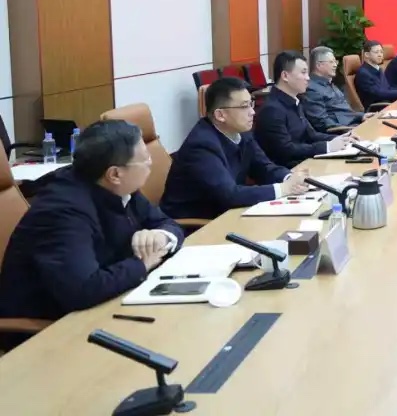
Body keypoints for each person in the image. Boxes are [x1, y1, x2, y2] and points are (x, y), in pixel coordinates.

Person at [0, 120, 184, 326]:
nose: (151, 162)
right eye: (145, 159)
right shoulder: (62, 211)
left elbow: (166, 222)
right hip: (51, 326)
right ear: (115, 174)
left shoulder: (119, 188)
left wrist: (160, 236)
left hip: (106, 301)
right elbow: (83, 290)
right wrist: (142, 264)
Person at [162, 77, 309, 220]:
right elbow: (230, 195)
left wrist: (290, 178)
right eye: (244, 106)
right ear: (220, 115)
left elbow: (264, 167)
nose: (253, 112)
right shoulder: (201, 146)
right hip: (197, 225)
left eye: (251, 104)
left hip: (227, 214)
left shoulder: (241, 132)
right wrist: (284, 188)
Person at [254, 51, 355, 168]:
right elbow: (286, 150)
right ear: (285, 76)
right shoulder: (272, 110)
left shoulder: (294, 101)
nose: (308, 78)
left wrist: (341, 139)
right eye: (303, 73)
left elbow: (311, 135)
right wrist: (327, 147)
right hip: (290, 170)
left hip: (306, 162)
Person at [303, 46, 370, 131]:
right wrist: (349, 130)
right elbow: (322, 122)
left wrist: (362, 116)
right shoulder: (311, 89)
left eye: (335, 61)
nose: (335, 65)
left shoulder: (329, 83)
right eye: (331, 62)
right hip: (342, 132)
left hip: (353, 125)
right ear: (319, 65)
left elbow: (344, 111)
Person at [354, 41, 397, 111]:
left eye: (381, 52)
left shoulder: (378, 69)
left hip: (387, 103)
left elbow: (388, 88)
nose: (380, 55)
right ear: (367, 54)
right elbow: (377, 94)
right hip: (377, 108)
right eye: (376, 52)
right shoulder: (363, 73)